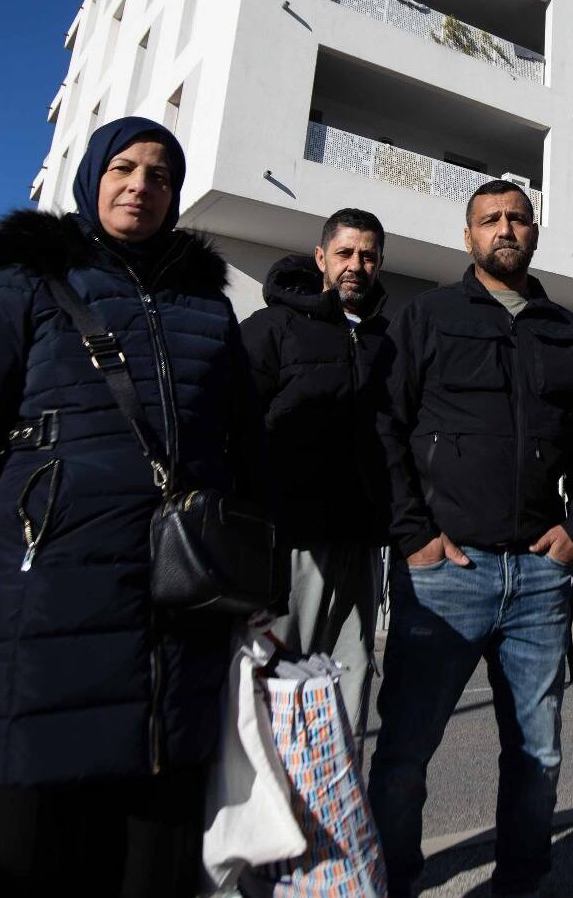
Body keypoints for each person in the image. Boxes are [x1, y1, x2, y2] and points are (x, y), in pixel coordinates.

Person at [0, 118, 258, 897]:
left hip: (171, 657)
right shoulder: (23, 285)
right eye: (124, 167)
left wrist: (258, 597)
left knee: (150, 874)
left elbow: (247, 463)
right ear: (91, 178)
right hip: (30, 635)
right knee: (13, 866)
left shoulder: (209, 312)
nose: (140, 186)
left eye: (159, 175)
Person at [368, 180, 573, 897]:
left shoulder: (567, 330)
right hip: (444, 573)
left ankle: (521, 886)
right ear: (467, 234)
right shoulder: (427, 317)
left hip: (538, 576)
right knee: (406, 754)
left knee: (537, 754)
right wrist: (414, 534)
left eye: (517, 217)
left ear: (534, 230)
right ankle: (393, 883)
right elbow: (384, 425)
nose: (505, 227)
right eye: (490, 219)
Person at [241, 207, 394, 747]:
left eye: (368, 255)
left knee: (349, 688)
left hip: (361, 545)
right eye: (346, 252)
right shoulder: (272, 328)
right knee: (277, 689)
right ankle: (274, 826)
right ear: (321, 257)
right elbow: (230, 424)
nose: (357, 264)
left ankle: (335, 816)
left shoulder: (386, 341)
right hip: (290, 544)